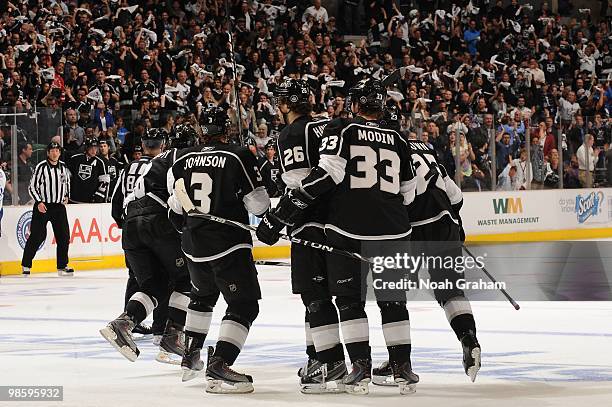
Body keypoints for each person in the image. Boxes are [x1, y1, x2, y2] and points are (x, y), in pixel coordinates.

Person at [257, 78, 419, 395]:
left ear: (355, 104)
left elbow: (324, 176)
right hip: (395, 229)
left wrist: (279, 216)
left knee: (347, 300)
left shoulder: (342, 128)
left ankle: (358, 366)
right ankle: (403, 367)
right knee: (393, 301)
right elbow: (408, 193)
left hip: (348, 227)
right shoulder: (398, 137)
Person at [169, 107, 270, 393]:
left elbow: (175, 208)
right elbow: (259, 206)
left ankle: (191, 354)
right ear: (227, 129)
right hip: (228, 244)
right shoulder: (238, 155)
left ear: (202, 131)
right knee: (244, 304)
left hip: (193, 245)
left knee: (202, 297)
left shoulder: (183, 158)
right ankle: (221, 364)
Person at [372, 134, 482, 384]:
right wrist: (456, 225)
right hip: (447, 224)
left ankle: (399, 362)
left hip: (413, 229)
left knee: (393, 297)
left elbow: (398, 197)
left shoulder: (386, 149)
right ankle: (468, 339)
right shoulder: (425, 148)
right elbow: (456, 197)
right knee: (451, 291)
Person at [260, 78, 347, 393]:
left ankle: (331, 361)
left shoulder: (293, 133)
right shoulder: (326, 128)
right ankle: (316, 357)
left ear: (284, 104)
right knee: (326, 297)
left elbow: (301, 185)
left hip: (310, 224)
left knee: (314, 296)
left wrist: (276, 218)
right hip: (340, 225)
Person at [100, 127, 192, 365]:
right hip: (157, 222)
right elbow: (177, 199)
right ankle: (172, 335)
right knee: (185, 280)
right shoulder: (183, 158)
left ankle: (123, 324)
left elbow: (121, 201)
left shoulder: (152, 163)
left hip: (132, 225)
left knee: (155, 284)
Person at [110, 130, 168, 339]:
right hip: (155, 229)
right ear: (162, 145)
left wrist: (124, 224)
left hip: (131, 230)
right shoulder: (160, 165)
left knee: (134, 276)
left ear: (143, 145)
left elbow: (116, 201)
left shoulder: (128, 167)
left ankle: (130, 321)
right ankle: (162, 326)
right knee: (163, 276)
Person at [21, 142, 72, 277]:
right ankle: (26, 264)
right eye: (52, 150)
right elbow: (32, 187)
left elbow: (66, 183)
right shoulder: (41, 167)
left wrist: (66, 196)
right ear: (48, 152)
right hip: (43, 206)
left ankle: (62, 265)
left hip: (59, 207)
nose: (55, 153)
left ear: (60, 153)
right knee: (38, 236)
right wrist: (39, 202)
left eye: (57, 150)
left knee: (64, 236)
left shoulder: (63, 167)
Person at [67, 138, 109, 203]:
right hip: (73, 199)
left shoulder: (100, 162)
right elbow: (66, 177)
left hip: (90, 201)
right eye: (91, 148)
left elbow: (104, 181)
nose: (93, 150)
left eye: (95, 148)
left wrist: (99, 195)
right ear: (86, 148)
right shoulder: (75, 159)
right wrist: (66, 193)